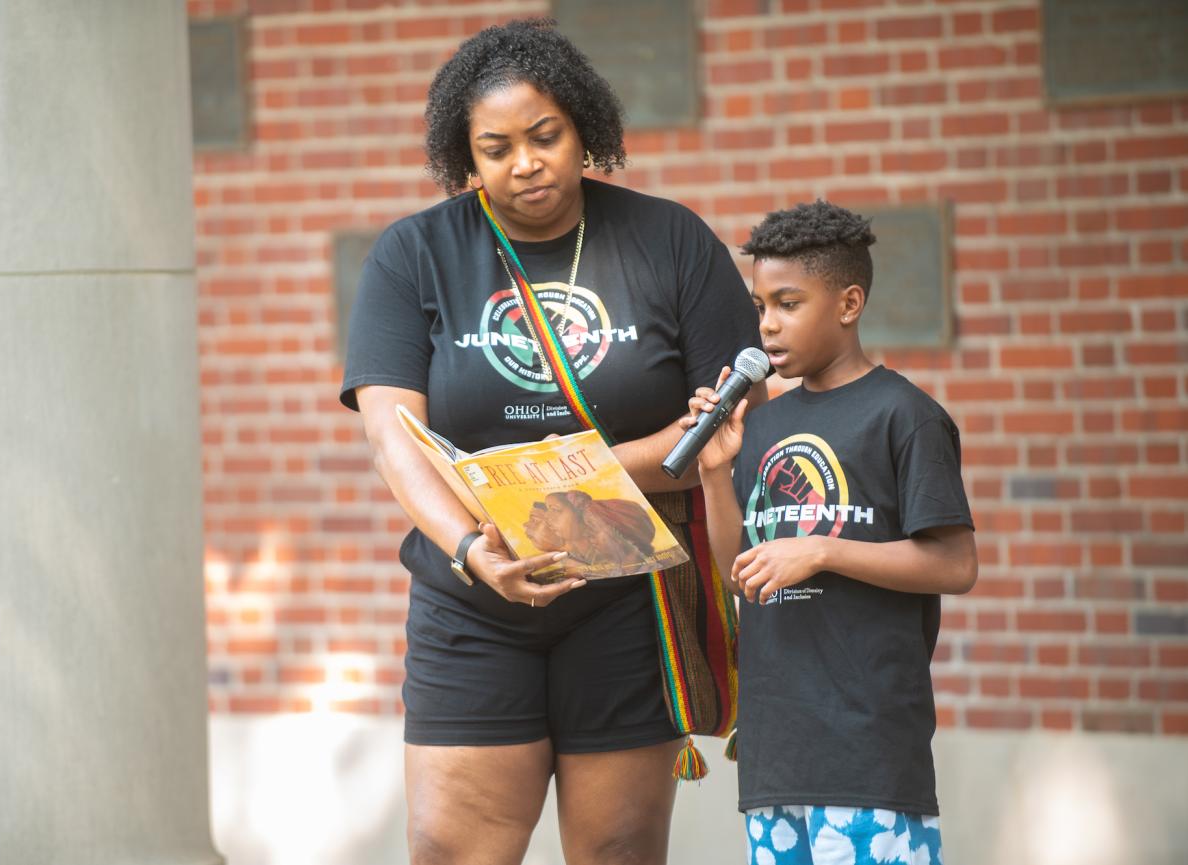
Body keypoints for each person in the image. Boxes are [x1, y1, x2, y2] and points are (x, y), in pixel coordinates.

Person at [340, 18, 762, 865]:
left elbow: (726, 424)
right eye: (495, 148)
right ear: (466, 155)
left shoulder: (670, 241)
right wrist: (466, 547)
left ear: (584, 129)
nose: (524, 163)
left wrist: (635, 463)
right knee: (452, 850)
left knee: (617, 852)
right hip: (474, 599)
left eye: (545, 136)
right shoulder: (414, 255)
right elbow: (395, 438)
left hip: (630, 598)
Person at [683, 200, 977, 865]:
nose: (767, 325)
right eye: (760, 306)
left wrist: (822, 551)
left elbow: (956, 563)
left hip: (867, 752)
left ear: (848, 303)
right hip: (775, 754)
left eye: (788, 303)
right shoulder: (759, 425)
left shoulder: (904, 415)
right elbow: (742, 575)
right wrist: (713, 472)